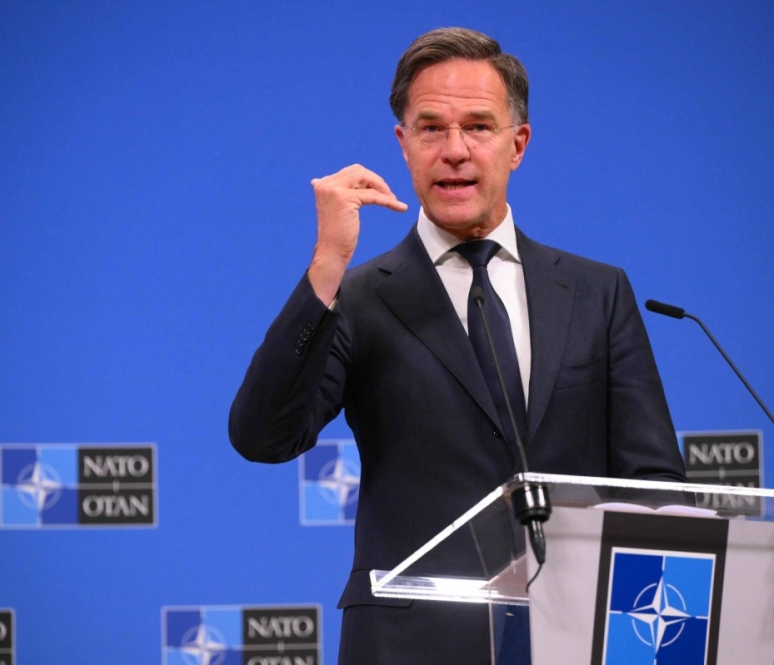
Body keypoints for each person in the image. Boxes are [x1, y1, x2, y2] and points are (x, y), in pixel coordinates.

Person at [229, 27, 687, 664]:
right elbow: (262, 436)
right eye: (430, 128)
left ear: (517, 144)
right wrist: (327, 264)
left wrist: (648, 638)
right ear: (404, 144)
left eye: (478, 126)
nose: (455, 151)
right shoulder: (359, 297)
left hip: (574, 638)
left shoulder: (597, 291)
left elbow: (654, 485)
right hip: (410, 643)